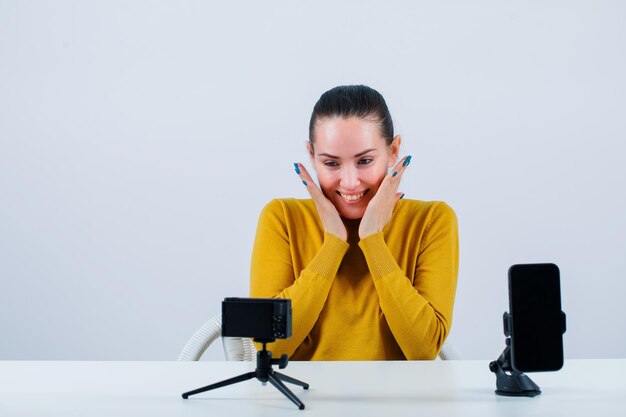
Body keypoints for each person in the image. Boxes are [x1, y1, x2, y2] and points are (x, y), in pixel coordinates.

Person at [249, 85, 458, 360]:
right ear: (312, 156)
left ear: (393, 150)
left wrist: (372, 240)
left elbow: (423, 350)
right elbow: (272, 348)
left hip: (398, 402)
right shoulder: (282, 218)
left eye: (365, 161)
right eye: (331, 164)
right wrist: (333, 244)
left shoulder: (432, 221)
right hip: (303, 400)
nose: (349, 182)